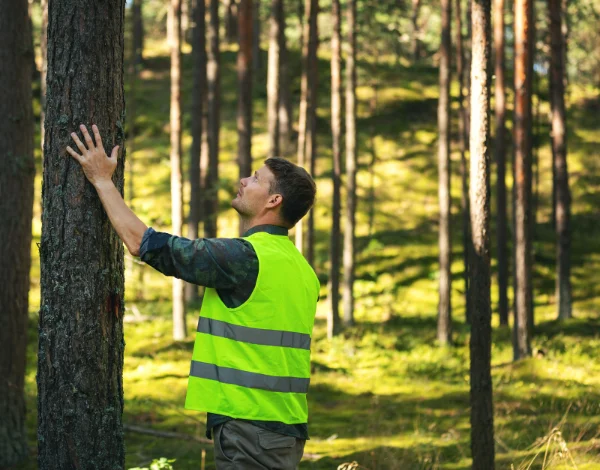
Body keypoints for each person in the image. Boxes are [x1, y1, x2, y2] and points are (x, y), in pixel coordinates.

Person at [66, 124, 320, 469]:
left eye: (256, 179)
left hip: (250, 430)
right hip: (282, 429)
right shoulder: (301, 268)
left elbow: (145, 244)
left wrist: (102, 181)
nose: (244, 180)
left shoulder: (246, 258)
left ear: (274, 201)